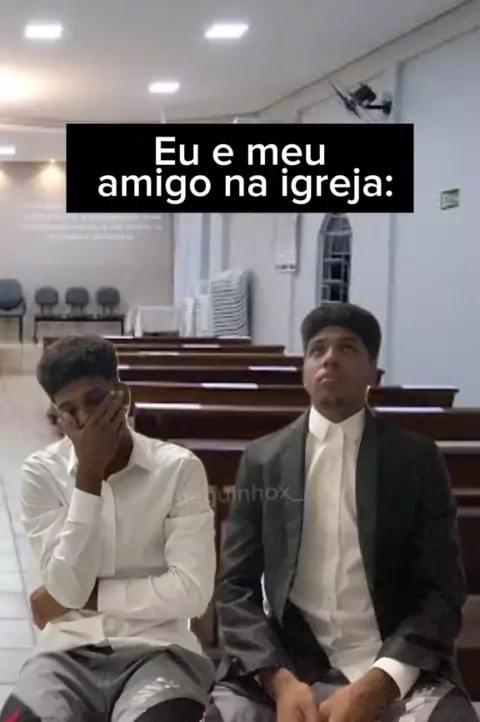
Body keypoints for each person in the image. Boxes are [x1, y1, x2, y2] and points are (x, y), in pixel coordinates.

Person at [208, 303, 476, 722]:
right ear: (304, 371)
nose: (329, 358)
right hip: (290, 662)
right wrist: (279, 680)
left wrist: (379, 683)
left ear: (373, 370)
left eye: (348, 348)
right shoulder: (264, 460)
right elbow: (234, 587)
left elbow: (442, 590)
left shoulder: (414, 460)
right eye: (317, 349)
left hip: (392, 659)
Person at [0, 335, 216, 722]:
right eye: (70, 410)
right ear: (57, 416)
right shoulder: (41, 473)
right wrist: (89, 476)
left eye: (96, 401)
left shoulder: (178, 468)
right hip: (67, 653)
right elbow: (68, 590)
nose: (85, 419)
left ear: (123, 396)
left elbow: (192, 593)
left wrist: (91, 596)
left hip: (159, 650)